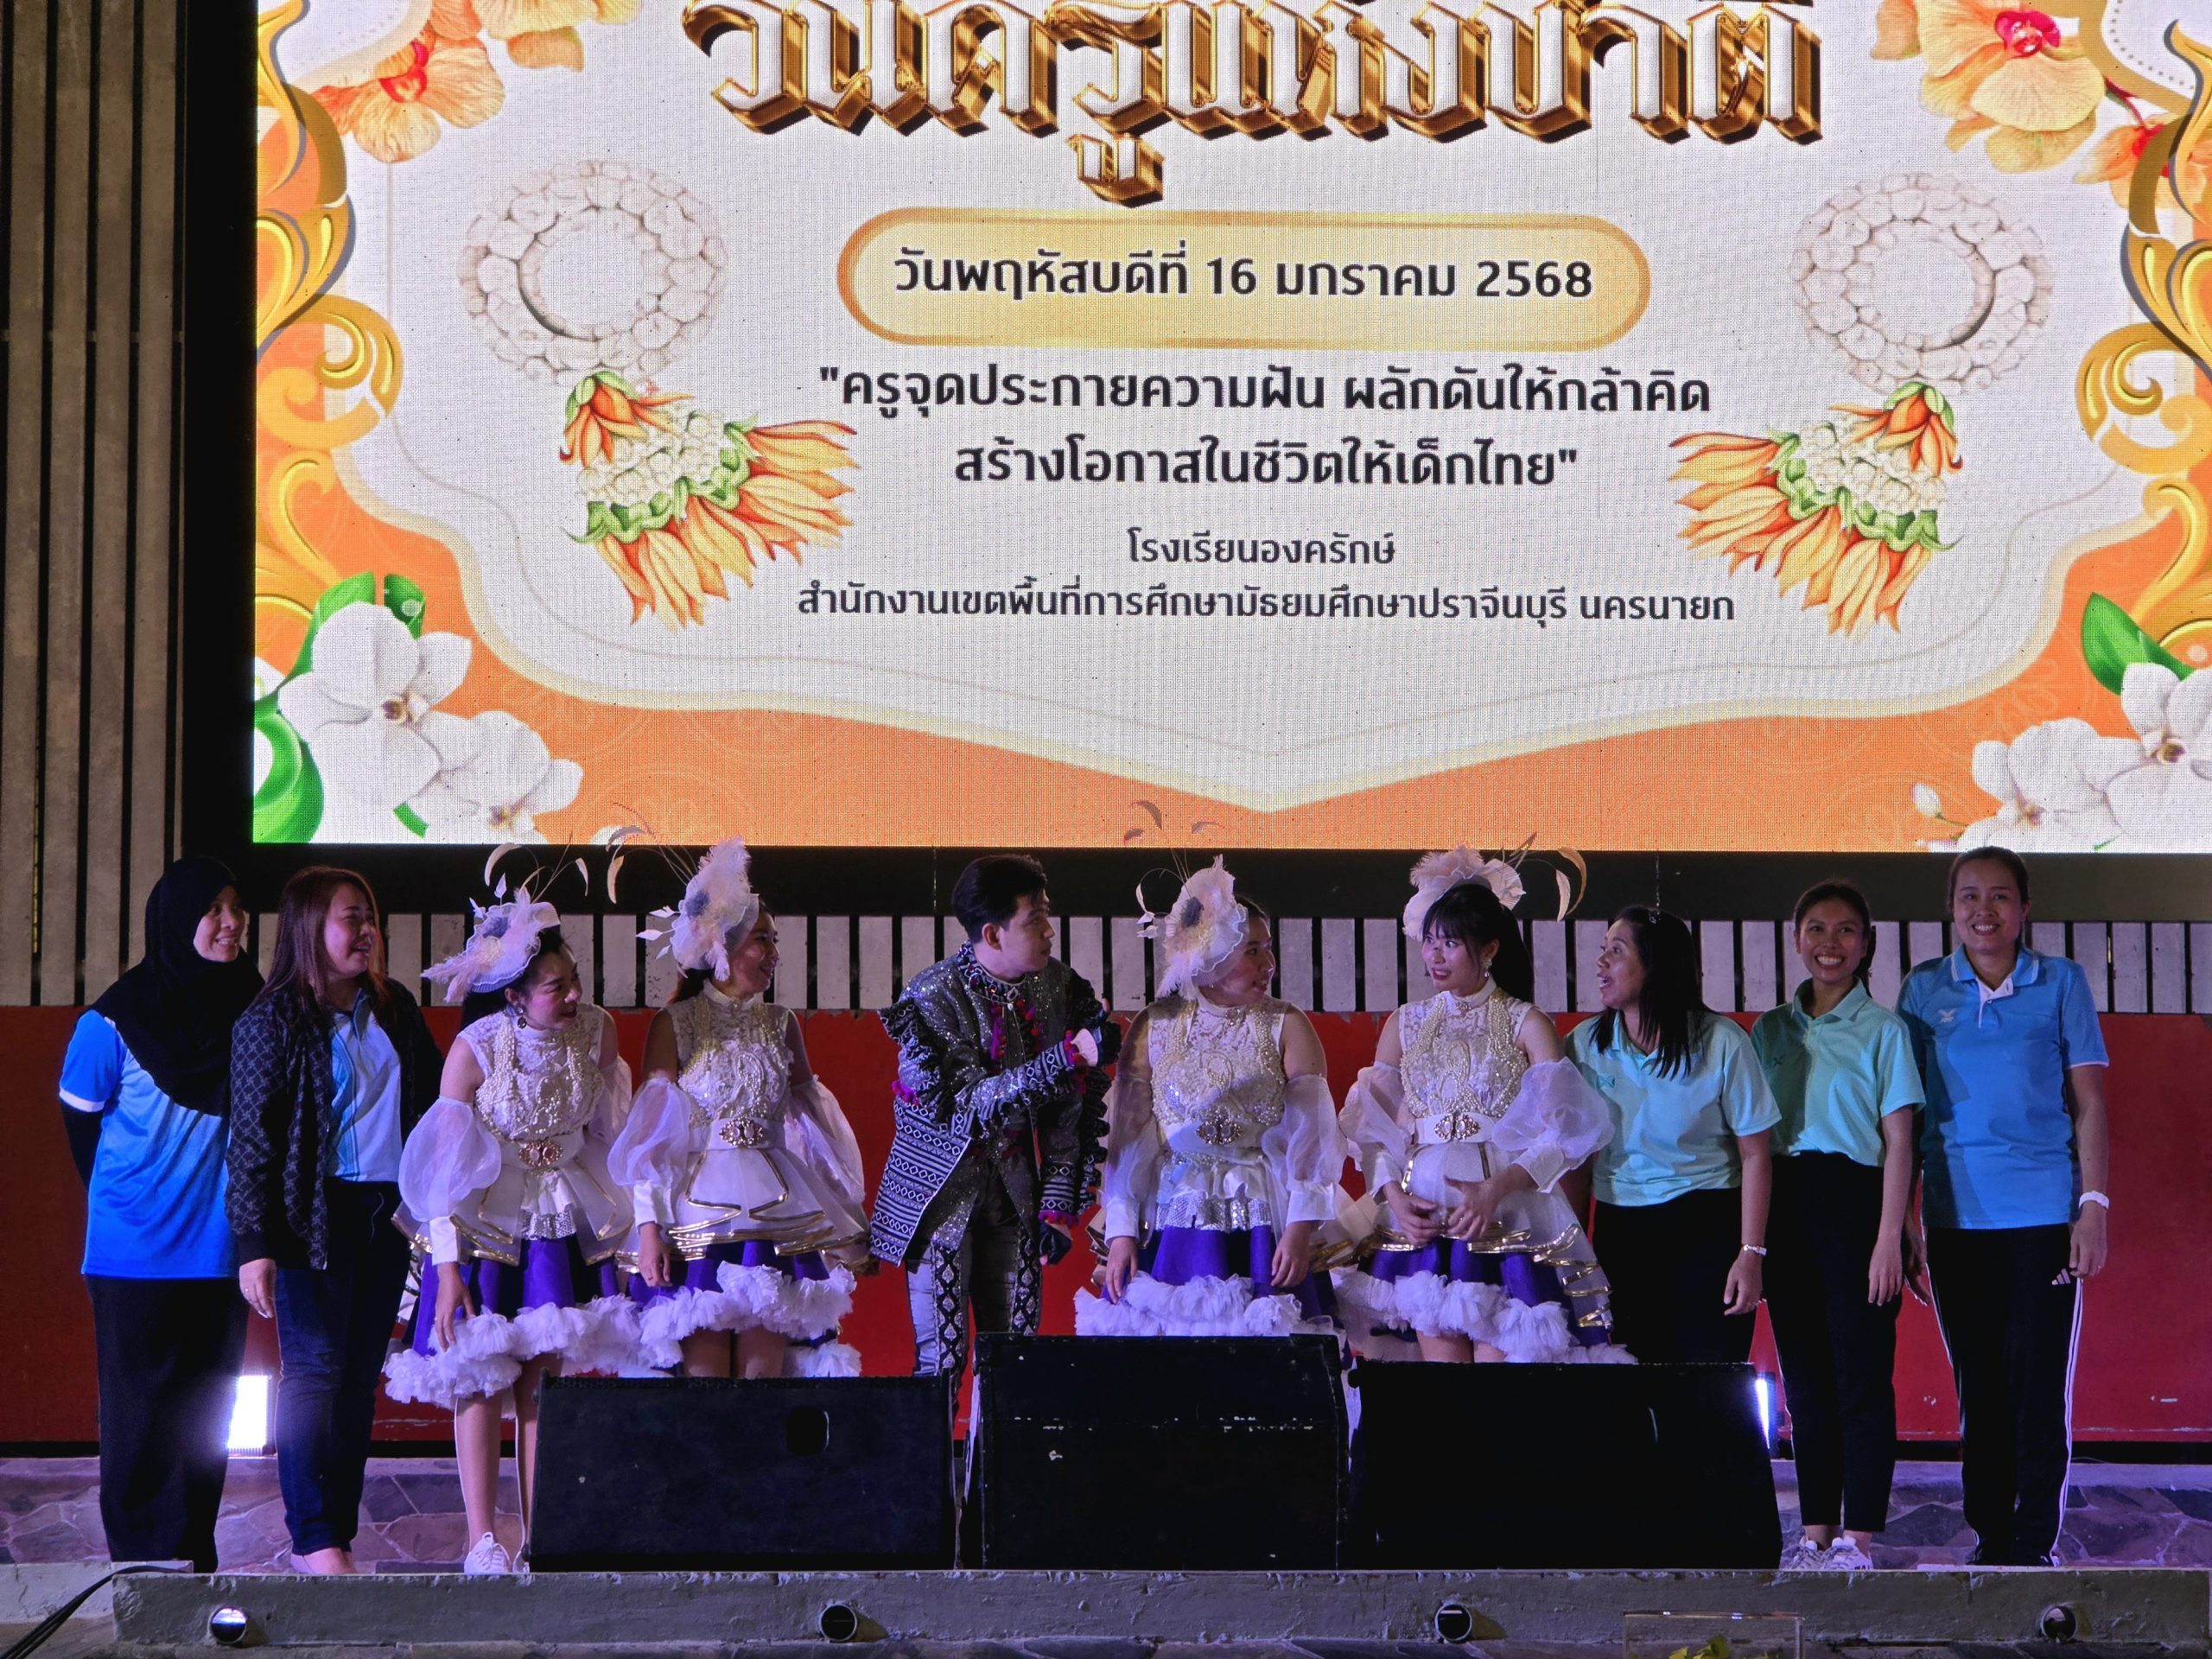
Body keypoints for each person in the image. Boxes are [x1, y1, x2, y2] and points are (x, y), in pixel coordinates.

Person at [383, 898, 636, 1576]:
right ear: (515, 996)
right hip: (485, 1219)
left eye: (574, 980)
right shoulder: (476, 1049)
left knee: (542, 1383)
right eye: (556, 987)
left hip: (560, 1214)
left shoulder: (599, 1032)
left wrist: (632, 1220)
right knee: (479, 1376)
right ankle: (481, 1541)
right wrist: (447, 1270)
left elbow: (612, 1133)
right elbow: (441, 1172)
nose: (574, 995)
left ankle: (537, 1537)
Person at [227, 867, 444, 1575]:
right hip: (312, 1217)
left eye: (370, 918)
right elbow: (251, 1141)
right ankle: (312, 1536)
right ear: (308, 927)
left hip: (387, 1216)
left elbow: (438, 1107)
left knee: (356, 1380)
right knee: (314, 1374)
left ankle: (336, 1532)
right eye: (352, 918)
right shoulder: (272, 1021)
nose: (367, 931)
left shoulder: (394, 1007)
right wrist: (254, 1244)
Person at [1899, 847, 2109, 1567]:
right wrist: (1903, 1219)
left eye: (1999, 896)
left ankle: (2033, 1542)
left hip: (2043, 1219)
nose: (1982, 910)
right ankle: (1992, 1539)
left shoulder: (2061, 982)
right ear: (1950, 908)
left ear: (2024, 909)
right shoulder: (1924, 988)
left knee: (2037, 1387)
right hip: (1953, 1220)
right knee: (1980, 1387)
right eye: (1968, 896)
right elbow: (1904, 1114)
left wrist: (2093, 1207)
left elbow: (2089, 1104)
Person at [1336, 855, 1626, 1363]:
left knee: (1498, 1387)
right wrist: (1393, 1198)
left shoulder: (1526, 1021)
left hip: (1507, 1211)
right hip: (1426, 1212)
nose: (1435, 954)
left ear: (1489, 948)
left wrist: (1499, 1187)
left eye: (1451, 942)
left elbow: (1567, 1131)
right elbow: (1373, 1130)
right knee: (1444, 1389)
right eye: (1430, 940)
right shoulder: (1404, 1023)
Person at [60, 857, 260, 1571]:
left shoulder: (255, 1009)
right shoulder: (112, 1019)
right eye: (213, 909)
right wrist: (132, 1200)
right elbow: (80, 1122)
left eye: (236, 907)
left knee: (206, 1420)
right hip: (132, 1254)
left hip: (219, 1251)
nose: (231, 923)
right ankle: (141, 1570)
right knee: (139, 1419)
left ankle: (191, 1564)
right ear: (176, 921)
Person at [608, 839, 868, 1376]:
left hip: (776, 1208)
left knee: (762, 1378)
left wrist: (841, 1211)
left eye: (774, 941)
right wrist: (650, 1226)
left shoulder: (782, 1022)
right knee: (704, 1376)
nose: (773, 953)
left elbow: (813, 1125)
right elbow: (651, 1136)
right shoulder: (676, 1023)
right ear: (722, 947)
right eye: (761, 940)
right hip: (697, 1213)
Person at [1076, 861, 1350, 1336]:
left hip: (1262, 1217)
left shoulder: (1286, 1024)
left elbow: (1314, 1134)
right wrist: (1122, 1231)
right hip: (1174, 1214)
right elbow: (1129, 1138)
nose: (1268, 964)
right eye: (1252, 951)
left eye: (1268, 948)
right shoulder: (1156, 1025)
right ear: (1213, 954)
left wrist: (1300, 1226)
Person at [873, 854, 1115, 1379]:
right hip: (939, 1195)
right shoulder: (931, 994)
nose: (1049, 932)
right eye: (1035, 920)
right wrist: (1065, 1057)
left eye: (1047, 916)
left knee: (1012, 1358)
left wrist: (1056, 1205)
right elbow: (965, 1104)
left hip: (1014, 1193)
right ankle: (936, 1440)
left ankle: (997, 1440)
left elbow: (1068, 1108)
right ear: (993, 933)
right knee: (942, 1359)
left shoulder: (1058, 986)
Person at [1753, 880, 1923, 1571]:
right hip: (1786, 1207)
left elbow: (1901, 1143)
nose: (1831, 943)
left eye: (1846, 930)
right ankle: (1816, 1532)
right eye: (1817, 929)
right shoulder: (1770, 1030)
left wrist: (1889, 1237)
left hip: (1856, 1206)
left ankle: (1859, 1539)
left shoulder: (1884, 1030)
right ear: (1797, 940)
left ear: (1866, 944)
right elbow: (1752, 1139)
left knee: (1861, 1380)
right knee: (1805, 1384)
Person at [1567, 906, 1778, 1364]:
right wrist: (1574, 1255)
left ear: (1656, 964)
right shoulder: (1583, 1046)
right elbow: (1576, 1160)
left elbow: (1756, 1155)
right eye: (1603, 950)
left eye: (1616, 951)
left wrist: (1751, 1253)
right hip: (1621, 1230)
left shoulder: (1723, 1041)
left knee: (1710, 1380)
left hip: (1708, 1226)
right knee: (1634, 1376)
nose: (1600, 963)